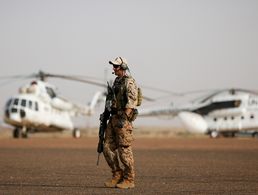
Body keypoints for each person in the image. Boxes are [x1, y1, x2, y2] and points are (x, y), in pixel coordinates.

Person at [103, 57, 139, 189]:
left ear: (123, 67)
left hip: (123, 120)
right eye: (113, 66)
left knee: (124, 150)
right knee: (107, 148)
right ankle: (117, 174)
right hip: (113, 119)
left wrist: (124, 119)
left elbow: (131, 103)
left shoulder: (129, 82)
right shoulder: (117, 81)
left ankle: (129, 179)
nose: (114, 68)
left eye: (116, 66)